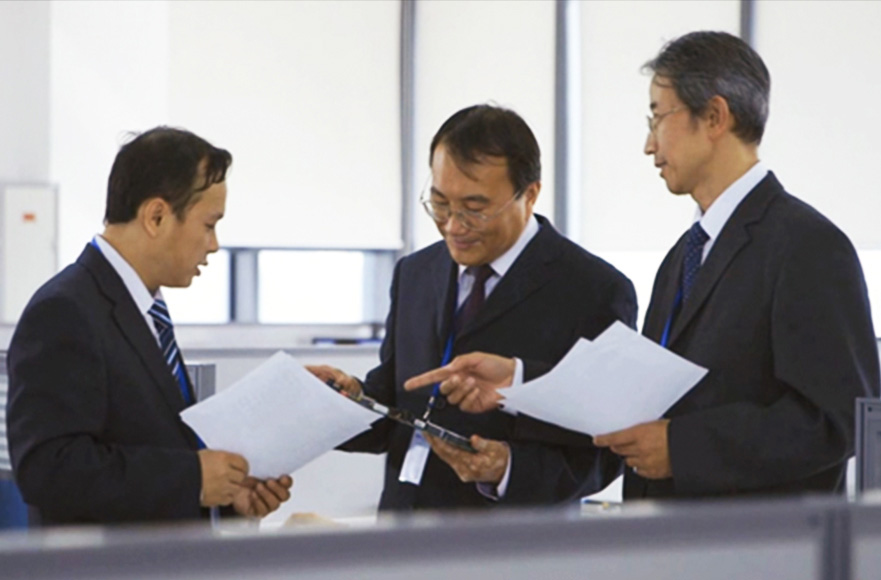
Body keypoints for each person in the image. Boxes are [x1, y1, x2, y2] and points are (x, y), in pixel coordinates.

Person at [405, 31, 880, 499]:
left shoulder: (807, 246)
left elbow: (837, 420)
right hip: (666, 535)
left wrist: (682, 447)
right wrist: (519, 381)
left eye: (658, 118)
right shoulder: (685, 254)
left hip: (752, 541)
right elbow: (644, 394)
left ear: (714, 116)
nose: (649, 145)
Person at [309, 104, 636, 511]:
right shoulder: (415, 272)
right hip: (403, 522)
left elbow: (608, 448)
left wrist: (507, 469)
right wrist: (349, 399)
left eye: (475, 209)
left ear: (529, 194)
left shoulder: (594, 289)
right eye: (440, 204)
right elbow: (398, 401)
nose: (453, 226)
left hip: (509, 535)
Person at [6, 127, 293, 525]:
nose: (214, 245)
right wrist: (193, 479)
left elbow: (155, 442)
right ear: (156, 217)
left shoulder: (144, 309)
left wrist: (225, 496)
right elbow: (49, 470)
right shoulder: (64, 310)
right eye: (209, 225)